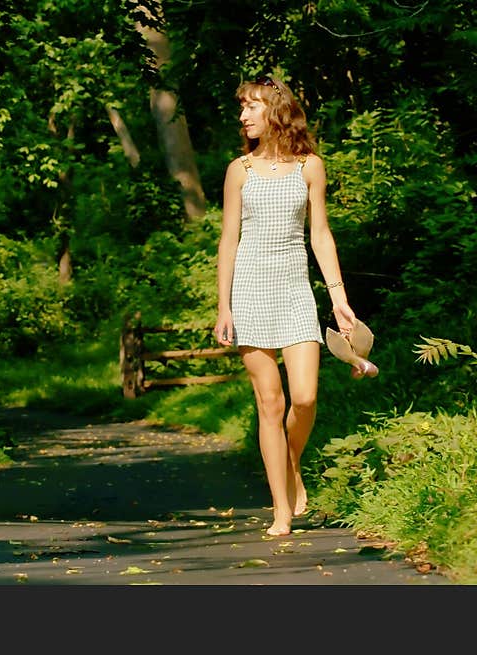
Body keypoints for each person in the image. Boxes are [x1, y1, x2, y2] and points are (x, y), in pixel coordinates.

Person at [213, 75, 357, 537]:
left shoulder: (309, 166)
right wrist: (223, 307)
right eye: (242, 109)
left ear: (275, 109)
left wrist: (338, 297)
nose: (243, 116)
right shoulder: (239, 170)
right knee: (269, 403)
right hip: (250, 292)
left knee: (305, 397)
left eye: (251, 107)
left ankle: (290, 459)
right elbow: (228, 240)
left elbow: (320, 234)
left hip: (296, 291)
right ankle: (280, 509)